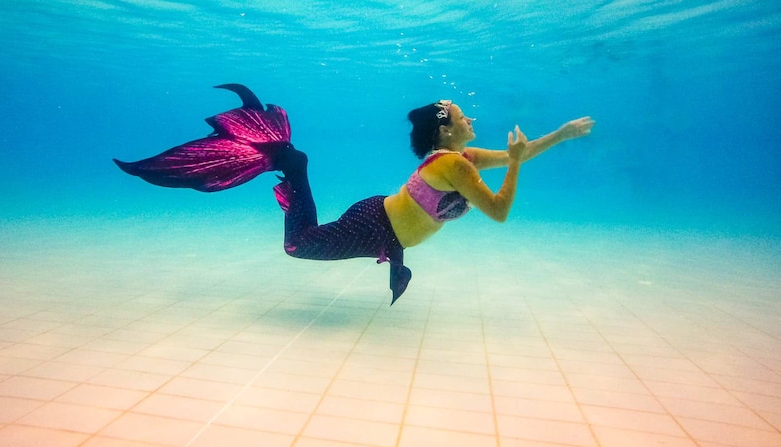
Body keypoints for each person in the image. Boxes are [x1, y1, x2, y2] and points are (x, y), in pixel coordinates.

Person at [115, 85, 594, 304]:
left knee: (308, 241)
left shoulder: (460, 159)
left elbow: (521, 151)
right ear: (447, 133)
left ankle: (291, 164)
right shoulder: (452, 164)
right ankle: (291, 165)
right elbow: (499, 210)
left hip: (382, 225)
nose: (473, 122)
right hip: (375, 226)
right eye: (466, 118)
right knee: (298, 245)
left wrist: (562, 135)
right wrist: (512, 161)